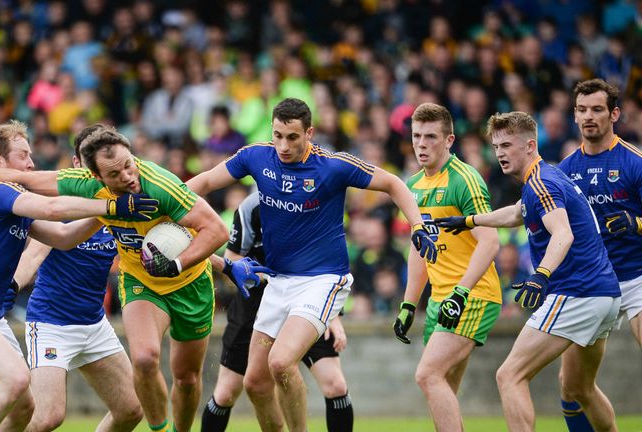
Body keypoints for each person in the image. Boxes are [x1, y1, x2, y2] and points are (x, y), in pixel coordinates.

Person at [0, 126, 230, 432]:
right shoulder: (8, 193)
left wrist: (225, 266)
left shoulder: (112, 203)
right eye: (23, 154)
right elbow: (46, 225)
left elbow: (65, 237)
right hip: (31, 320)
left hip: (90, 322)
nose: (31, 162)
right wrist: (113, 206)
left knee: (116, 409)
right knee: (39, 408)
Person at [186, 98, 437, 432]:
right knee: (255, 383)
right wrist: (167, 205)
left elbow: (393, 184)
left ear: (310, 133)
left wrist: (418, 225)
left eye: (292, 137)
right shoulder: (255, 156)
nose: (283, 146)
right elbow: (202, 182)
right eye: (277, 136)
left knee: (280, 363)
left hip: (322, 280)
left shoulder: (332, 166)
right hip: (277, 282)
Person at [436, 111, 621, 432]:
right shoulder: (545, 178)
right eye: (495, 146)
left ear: (530, 145)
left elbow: (563, 233)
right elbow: (516, 214)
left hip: (577, 292)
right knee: (580, 388)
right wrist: (469, 221)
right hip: (605, 295)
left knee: (509, 375)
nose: (500, 153)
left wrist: (542, 275)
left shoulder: (541, 184)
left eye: (507, 145)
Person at [10, 124, 143, 431]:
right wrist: (12, 286)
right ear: (76, 165)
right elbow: (33, 254)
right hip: (52, 324)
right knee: (46, 418)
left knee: (131, 410)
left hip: (94, 324)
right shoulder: (61, 206)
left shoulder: (124, 201)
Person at [201, 191, 353, 432]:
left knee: (334, 383)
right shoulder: (251, 207)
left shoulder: (313, 202)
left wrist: (334, 316)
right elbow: (231, 259)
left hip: (306, 296)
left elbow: (328, 264)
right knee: (228, 391)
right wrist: (265, 279)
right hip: (253, 301)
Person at [393, 103, 501, 432]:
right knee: (442, 389)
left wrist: (460, 292)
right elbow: (419, 249)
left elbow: (490, 242)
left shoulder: (464, 180)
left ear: (449, 140)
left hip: (472, 295)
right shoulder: (411, 186)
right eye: (416, 136)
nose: (421, 144)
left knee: (427, 375)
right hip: (441, 299)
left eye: (430, 137)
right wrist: (410, 303)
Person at [557, 78, 642, 430]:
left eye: (597, 109)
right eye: (582, 110)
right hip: (594, 285)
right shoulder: (564, 171)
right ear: (574, 116)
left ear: (614, 114)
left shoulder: (635, 162)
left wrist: (637, 224)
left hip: (637, 277)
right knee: (573, 387)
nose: (588, 116)